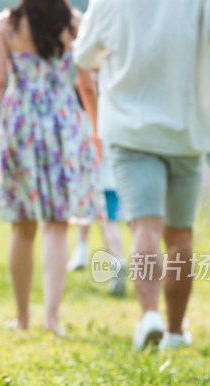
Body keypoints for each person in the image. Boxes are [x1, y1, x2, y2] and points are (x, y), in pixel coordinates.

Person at [73, 0, 210, 350]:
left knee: (144, 225)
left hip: (130, 132)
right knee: (179, 236)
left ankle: (149, 316)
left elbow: (84, 56)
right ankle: (175, 333)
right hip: (186, 133)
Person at [0, 0, 105, 333]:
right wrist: (96, 130)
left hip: (19, 123)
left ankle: (22, 318)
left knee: (22, 226)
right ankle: (51, 319)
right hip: (63, 123)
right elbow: (87, 85)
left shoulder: (5, 25)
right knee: (57, 224)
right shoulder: (76, 23)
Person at [69, 71, 127, 297]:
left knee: (85, 214)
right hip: (112, 179)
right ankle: (117, 261)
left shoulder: (81, 117)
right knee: (109, 223)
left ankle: (80, 251)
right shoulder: (113, 112)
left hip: (90, 178)